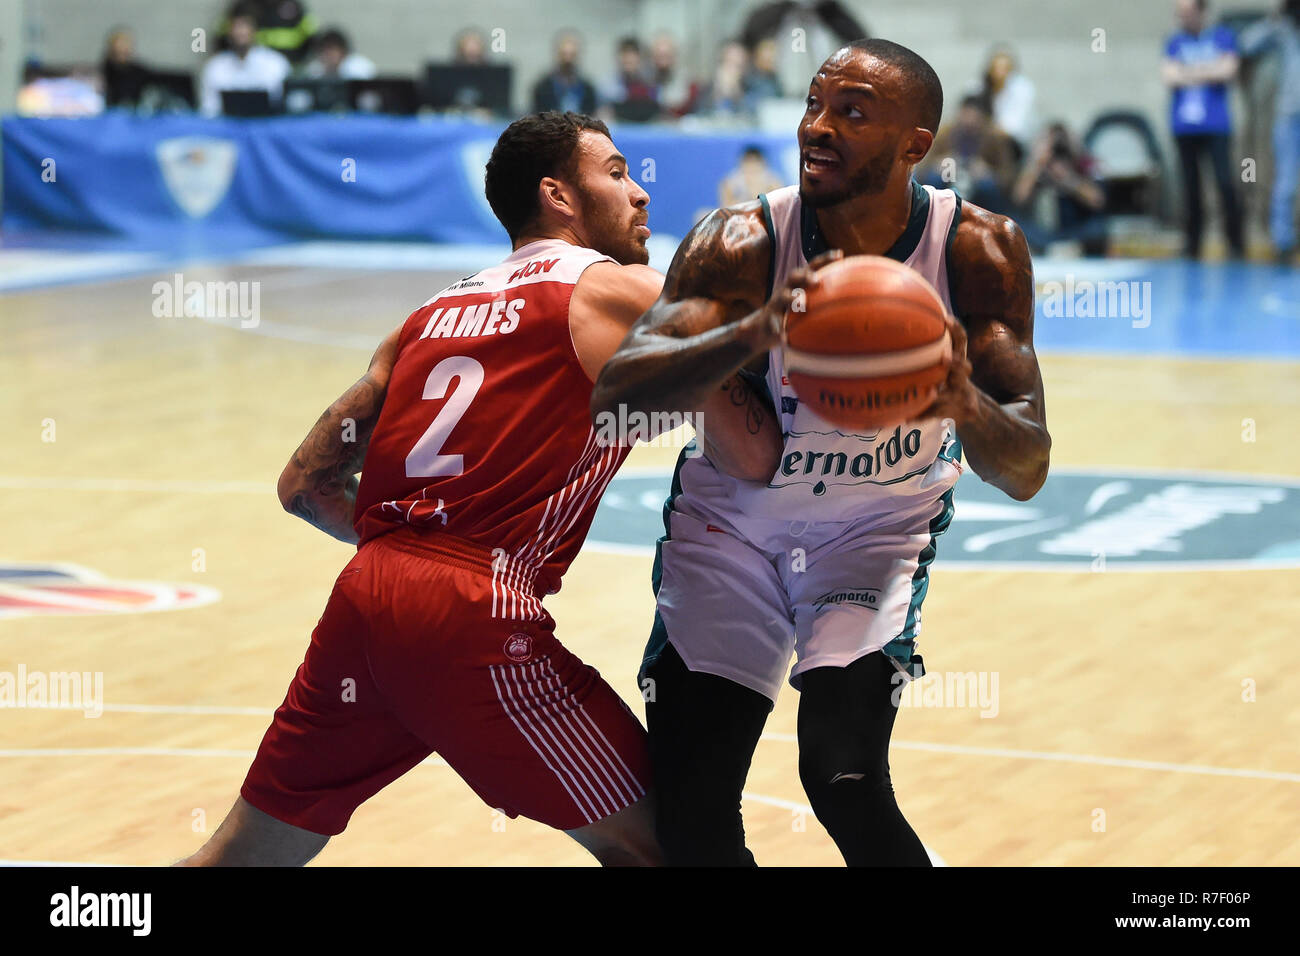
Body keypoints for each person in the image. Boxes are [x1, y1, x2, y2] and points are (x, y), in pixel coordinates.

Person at [175, 111, 776, 867]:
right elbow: (753, 455)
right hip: (474, 609)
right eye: (618, 174)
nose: (641, 194)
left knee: (241, 856)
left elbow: (303, 486)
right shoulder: (621, 293)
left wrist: (413, 559)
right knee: (672, 846)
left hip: (367, 596)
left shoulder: (430, 316)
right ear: (558, 195)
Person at [592, 38, 1050, 866]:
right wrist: (754, 332)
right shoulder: (743, 239)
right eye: (813, 104)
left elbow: (1025, 468)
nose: (818, 127)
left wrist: (962, 401)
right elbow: (621, 395)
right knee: (692, 804)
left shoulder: (977, 249)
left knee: (843, 777)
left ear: (917, 144)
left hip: (875, 535)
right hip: (731, 528)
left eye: (852, 113)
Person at [1162, 0, 1246, 258]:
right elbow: (1169, 76)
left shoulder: (1222, 37)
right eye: (1180, 14)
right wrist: (1209, 69)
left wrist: (1188, 72)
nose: (1183, 19)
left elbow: (1229, 71)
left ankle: (1235, 241)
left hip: (1216, 125)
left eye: (1188, 13)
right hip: (1184, 127)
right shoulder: (1174, 42)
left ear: (1201, 12)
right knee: (1190, 187)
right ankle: (1193, 244)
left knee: (1224, 182)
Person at [1240, 0, 1300, 263]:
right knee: (1285, 181)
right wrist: (1275, 19)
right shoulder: (1284, 29)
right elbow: (1246, 42)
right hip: (1289, 114)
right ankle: (1283, 243)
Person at [1011, 122, 1108, 255]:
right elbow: (1019, 199)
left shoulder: (1084, 163)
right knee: (1016, 226)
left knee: (1097, 228)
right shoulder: (1037, 166)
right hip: (1044, 233)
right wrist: (1037, 163)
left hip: (1077, 230)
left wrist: (1068, 179)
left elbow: (1097, 200)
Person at [920, 94, 1019, 215]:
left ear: (983, 118)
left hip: (979, 182)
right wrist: (938, 164)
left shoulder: (996, 138)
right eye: (966, 116)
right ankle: (930, 218)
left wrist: (989, 172)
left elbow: (1009, 177)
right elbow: (920, 168)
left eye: (975, 118)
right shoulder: (945, 133)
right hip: (948, 178)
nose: (970, 122)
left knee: (987, 187)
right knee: (933, 179)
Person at [199, 5, 291, 116]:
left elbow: (284, 110)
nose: (241, 32)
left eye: (245, 26)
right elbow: (209, 111)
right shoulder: (215, 67)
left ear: (255, 30)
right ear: (228, 31)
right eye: (236, 26)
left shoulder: (276, 64)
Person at [975, 45, 1036, 154]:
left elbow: (1012, 129)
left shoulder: (1022, 89)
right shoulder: (980, 87)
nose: (1000, 73)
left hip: (1014, 144)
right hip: (984, 140)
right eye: (996, 68)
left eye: (1004, 69)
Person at [532, 31, 598, 116]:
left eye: (572, 55)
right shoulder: (542, 88)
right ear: (556, 54)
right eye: (564, 54)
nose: (568, 60)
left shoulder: (588, 89)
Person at [101, 26, 150, 108]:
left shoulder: (140, 72)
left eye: (125, 50)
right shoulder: (103, 72)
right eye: (118, 51)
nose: (122, 51)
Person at [303, 27, 376, 80]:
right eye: (323, 50)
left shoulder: (359, 67)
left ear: (343, 51)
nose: (327, 54)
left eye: (331, 49)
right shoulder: (316, 69)